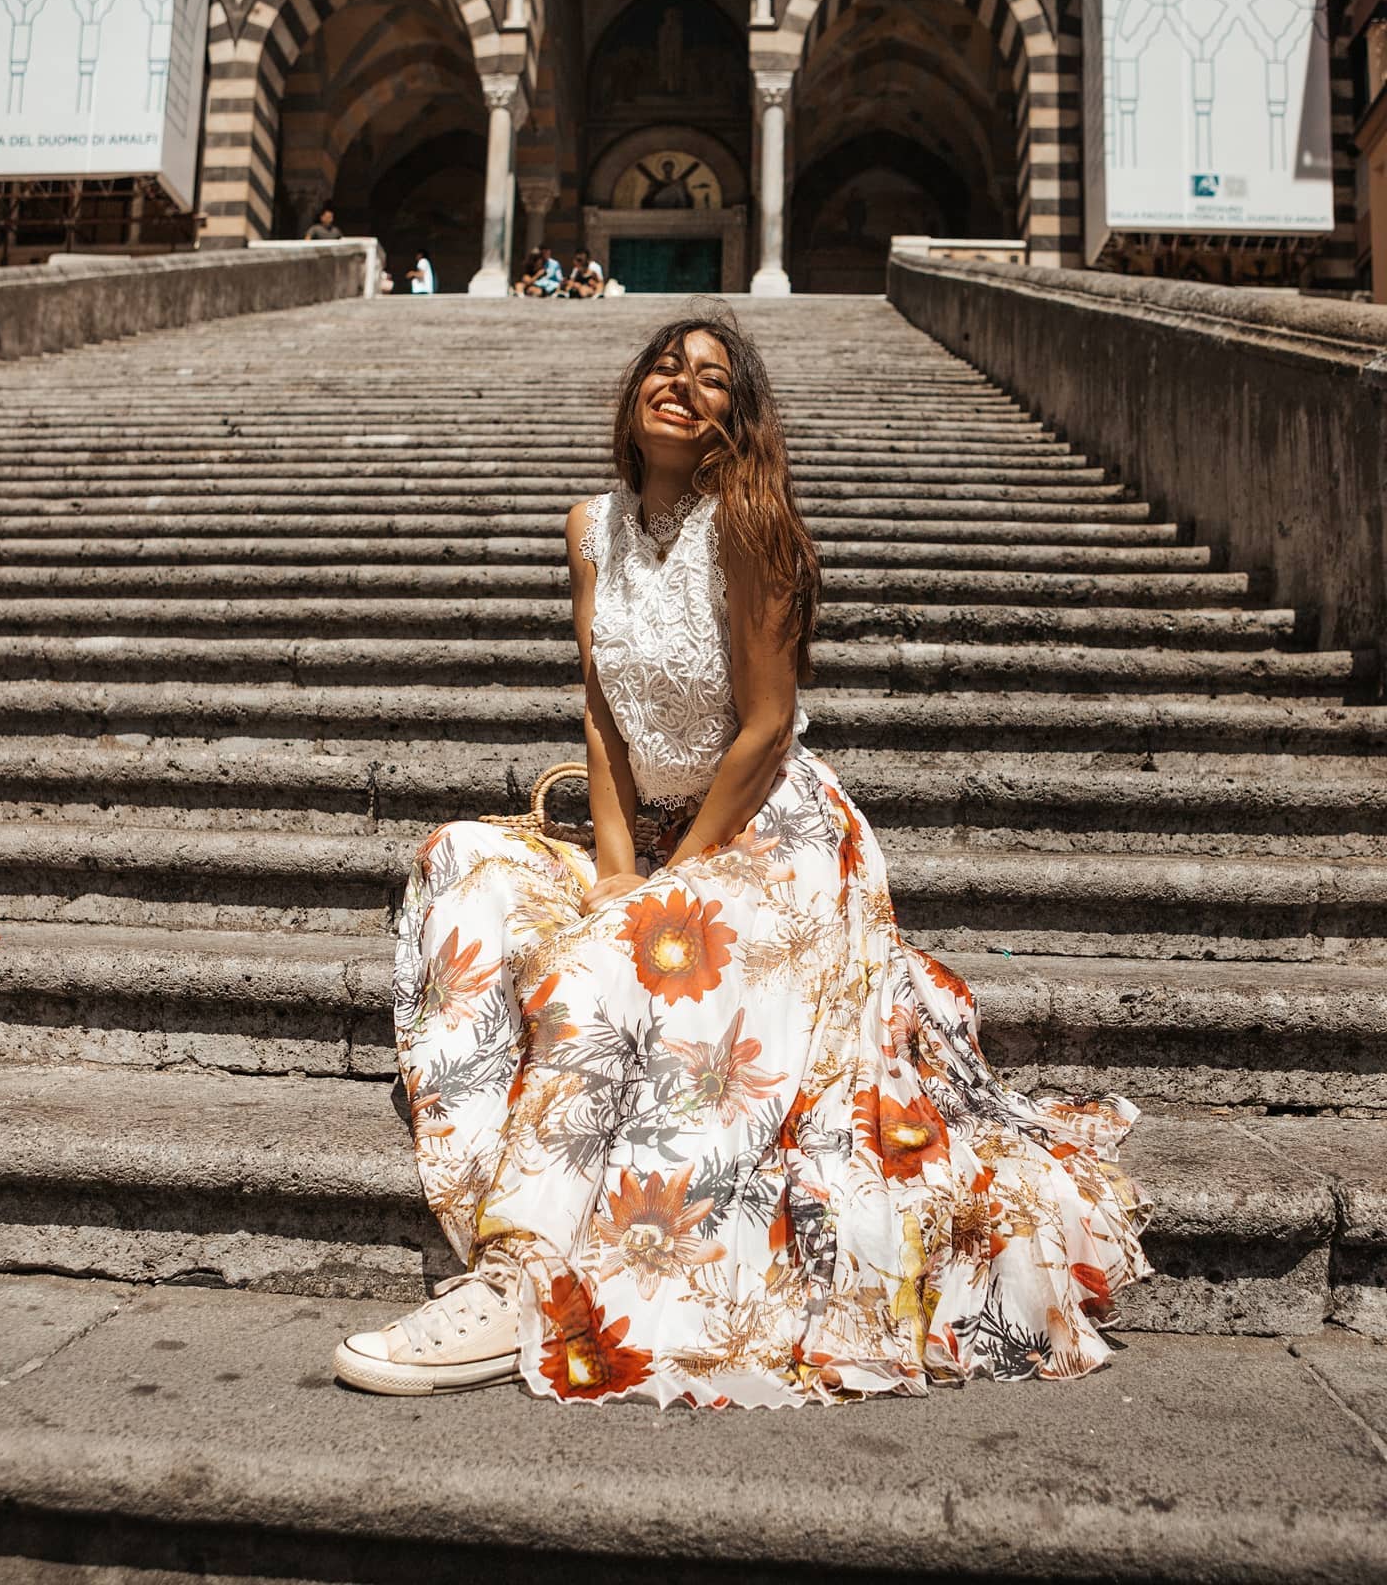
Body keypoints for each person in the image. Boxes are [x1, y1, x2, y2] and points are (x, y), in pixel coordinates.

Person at [334, 310, 1150, 1407]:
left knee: (598, 969)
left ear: (736, 418)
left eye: (713, 377)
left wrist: (668, 887)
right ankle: (487, 1181)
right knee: (460, 870)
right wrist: (622, 865)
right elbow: (601, 711)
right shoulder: (588, 527)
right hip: (656, 830)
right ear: (635, 390)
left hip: (775, 836)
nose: (682, 382)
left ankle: (521, 1277)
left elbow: (766, 728)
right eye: (666, 363)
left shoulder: (749, 524)